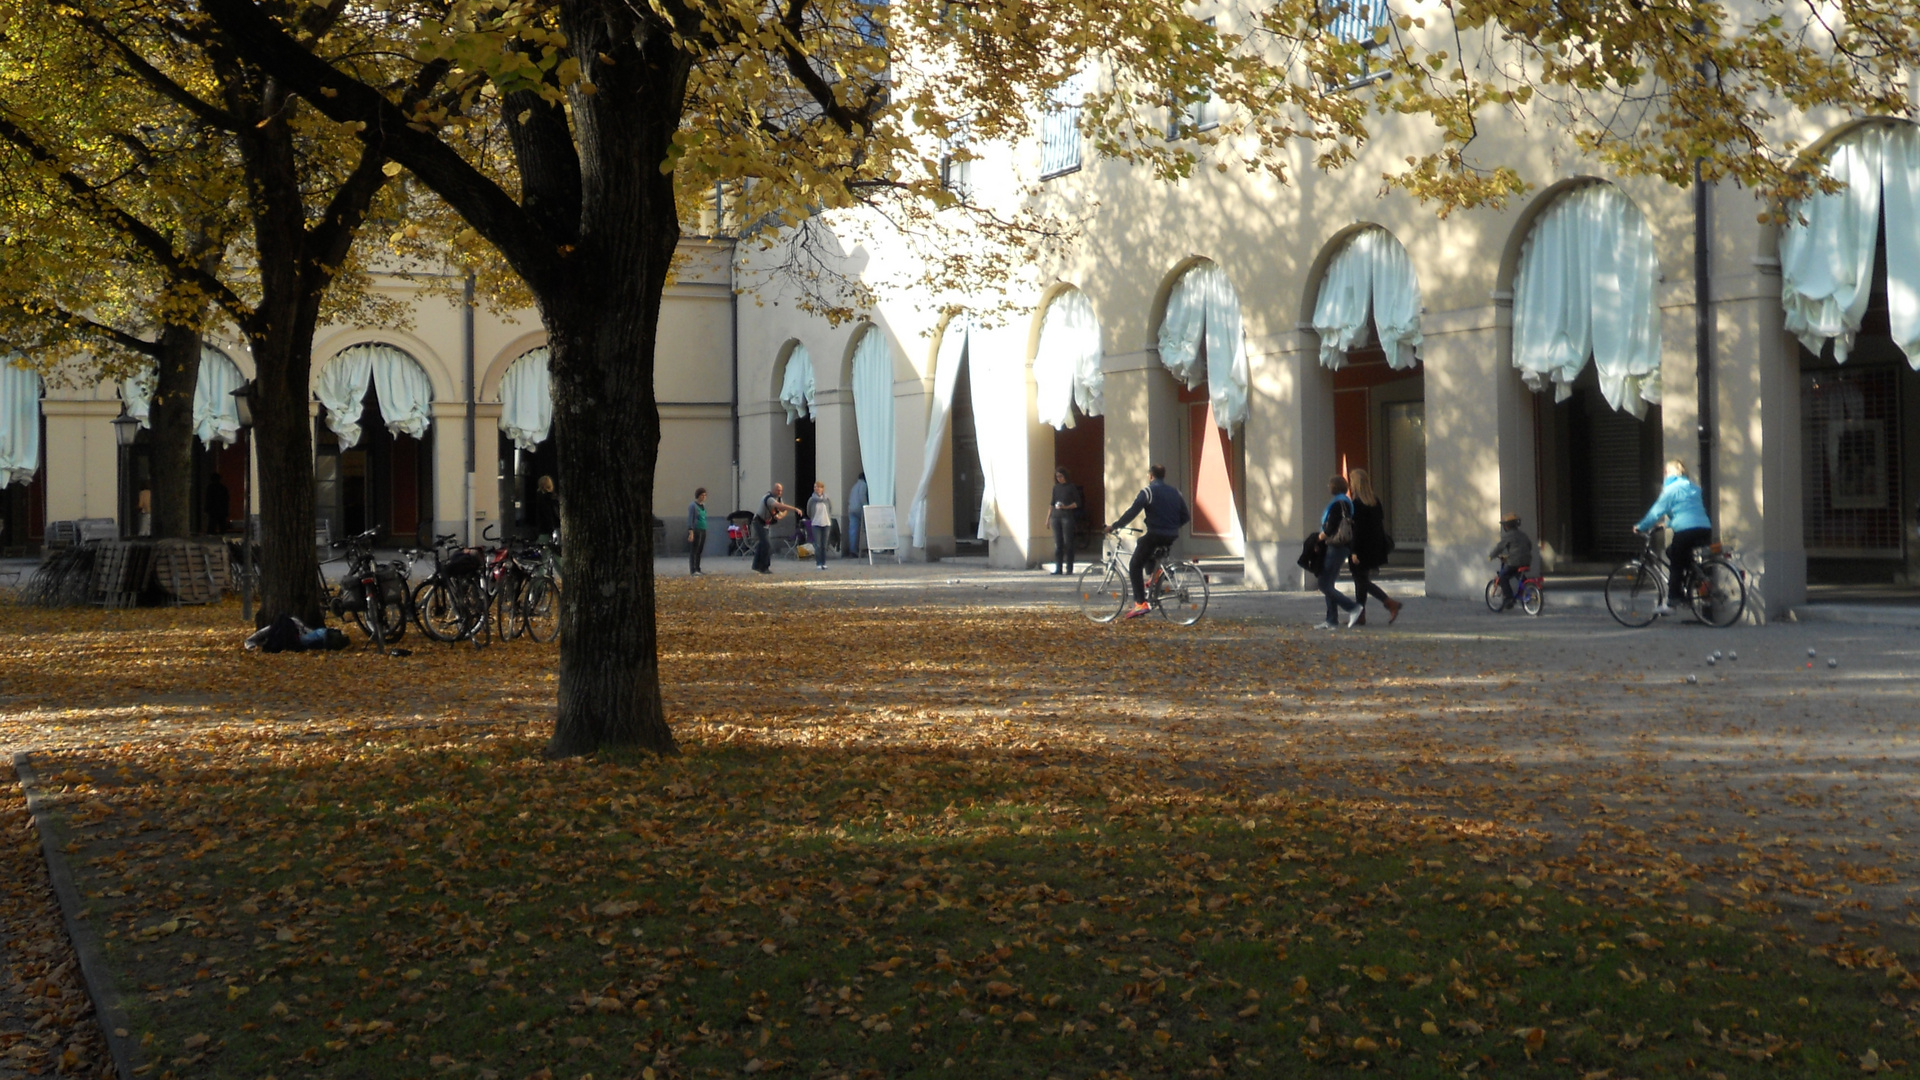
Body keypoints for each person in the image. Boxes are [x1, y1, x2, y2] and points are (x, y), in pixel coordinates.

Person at [1107, 464, 1190, 620]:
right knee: (1142, 544)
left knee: (1134, 565)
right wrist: (1172, 526)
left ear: (1151, 476)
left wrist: (1115, 526)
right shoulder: (1175, 493)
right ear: (1163, 476)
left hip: (1156, 534)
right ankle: (1155, 573)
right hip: (1171, 535)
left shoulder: (1148, 491)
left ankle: (1140, 603)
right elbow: (1185, 516)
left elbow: (1132, 512)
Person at [1636, 458, 1711, 617]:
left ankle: (1672, 601)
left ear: (1670, 473)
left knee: (1676, 563)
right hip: (1704, 529)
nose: (1664, 474)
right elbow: (1687, 511)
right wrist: (1667, 524)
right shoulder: (1692, 487)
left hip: (1686, 531)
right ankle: (1695, 582)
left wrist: (1641, 526)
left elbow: (1656, 512)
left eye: (1665, 471)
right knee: (1673, 552)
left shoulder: (1671, 490)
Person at [1346, 468, 1403, 625]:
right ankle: (1360, 614)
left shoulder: (1356, 504)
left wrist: (1354, 551)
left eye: (1352, 482)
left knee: (1361, 581)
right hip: (1374, 546)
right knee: (1361, 580)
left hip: (1361, 547)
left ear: (1356, 484)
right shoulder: (1375, 501)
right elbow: (1378, 525)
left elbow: (1357, 530)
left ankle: (1390, 603)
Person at [1314, 475, 1362, 630]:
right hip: (1342, 546)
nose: (1328, 486)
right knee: (1329, 583)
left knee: (1323, 583)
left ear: (1334, 487)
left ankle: (1353, 608)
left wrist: (1318, 538)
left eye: (1330, 484)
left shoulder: (1337, 504)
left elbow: (1330, 528)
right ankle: (1331, 619)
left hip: (1336, 546)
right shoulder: (1346, 502)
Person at [1487, 512, 1536, 610]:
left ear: (1506, 526)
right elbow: (1529, 546)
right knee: (1518, 574)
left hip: (1514, 562)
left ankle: (1508, 599)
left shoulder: (1508, 536)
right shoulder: (1523, 535)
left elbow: (1499, 548)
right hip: (1526, 561)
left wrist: (1491, 556)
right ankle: (1526, 589)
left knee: (1503, 577)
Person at [752, 482, 804, 574]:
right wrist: (795, 509)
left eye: (781, 490)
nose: (780, 492)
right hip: (758, 522)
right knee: (767, 544)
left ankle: (756, 565)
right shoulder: (769, 498)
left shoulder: (779, 499)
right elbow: (780, 506)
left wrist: (780, 515)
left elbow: (783, 510)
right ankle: (764, 567)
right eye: (778, 490)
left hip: (766, 523)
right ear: (773, 490)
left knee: (762, 544)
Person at [1048, 467, 1082, 575]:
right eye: (1057, 477)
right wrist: (1047, 518)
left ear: (1065, 476)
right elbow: (1052, 503)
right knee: (1058, 544)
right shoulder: (1056, 488)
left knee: (1068, 543)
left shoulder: (1071, 487)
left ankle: (1069, 568)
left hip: (1067, 517)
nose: (1059, 479)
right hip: (1055, 517)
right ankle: (1058, 568)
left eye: (1061, 476)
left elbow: (1078, 503)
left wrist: (1066, 507)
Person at [805, 481, 834, 570]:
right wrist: (813, 518)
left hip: (826, 523)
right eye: (815, 487)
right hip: (816, 523)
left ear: (822, 488)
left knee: (824, 544)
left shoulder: (827, 499)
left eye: (818, 487)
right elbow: (809, 511)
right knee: (817, 544)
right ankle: (818, 563)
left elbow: (830, 509)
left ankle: (824, 563)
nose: (816, 489)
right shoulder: (811, 500)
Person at [686, 487, 709, 576]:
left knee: (700, 550)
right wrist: (691, 532)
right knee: (694, 550)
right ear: (698, 496)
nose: (704, 497)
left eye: (705, 495)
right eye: (702, 495)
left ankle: (698, 568)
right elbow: (690, 519)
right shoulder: (693, 506)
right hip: (696, 529)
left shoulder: (703, 506)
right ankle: (693, 569)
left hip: (703, 529)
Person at [845, 472, 868, 556]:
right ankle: (868, 548)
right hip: (859, 509)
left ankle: (853, 550)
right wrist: (866, 507)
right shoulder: (863, 485)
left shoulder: (854, 486)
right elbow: (862, 496)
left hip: (851, 508)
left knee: (853, 530)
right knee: (866, 528)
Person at [533, 475, 561, 543]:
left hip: (545, 529)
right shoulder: (554, 498)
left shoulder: (541, 498)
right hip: (556, 528)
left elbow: (546, 514)